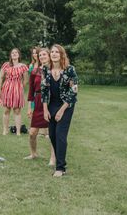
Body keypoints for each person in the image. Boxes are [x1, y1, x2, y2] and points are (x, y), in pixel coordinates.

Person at [42, 44, 79, 177]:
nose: (54, 54)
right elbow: (44, 91)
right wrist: (45, 110)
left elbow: (74, 90)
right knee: (52, 135)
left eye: (57, 52)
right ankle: (60, 161)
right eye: (52, 52)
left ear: (62, 54)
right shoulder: (46, 69)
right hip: (51, 105)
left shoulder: (69, 70)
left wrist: (62, 110)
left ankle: (60, 168)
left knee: (60, 135)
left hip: (66, 106)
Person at [25, 47, 55, 165]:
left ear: (49, 56)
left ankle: (53, 158)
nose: (42, 57)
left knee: (53, 132)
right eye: (40, 55)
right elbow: (31, 91)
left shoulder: (54, 70)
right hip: (37, 102)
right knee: (32, 132)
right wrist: (29, 107)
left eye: (44, 55)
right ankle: (33, 153)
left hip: (51, 101)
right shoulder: (35, 71)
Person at [0, 48, 29, 135]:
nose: (14, 54)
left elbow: (26, 79)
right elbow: (0, 77)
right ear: (10, 55)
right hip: (7, 88)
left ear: (19, 55)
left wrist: (20, 86)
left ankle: (18, 131)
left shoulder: (23, 66)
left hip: (18, 89)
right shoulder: (6, 65)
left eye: (16, 53)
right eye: (12, 53)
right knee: (6, 110)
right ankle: (5, 130)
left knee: (17, 110)